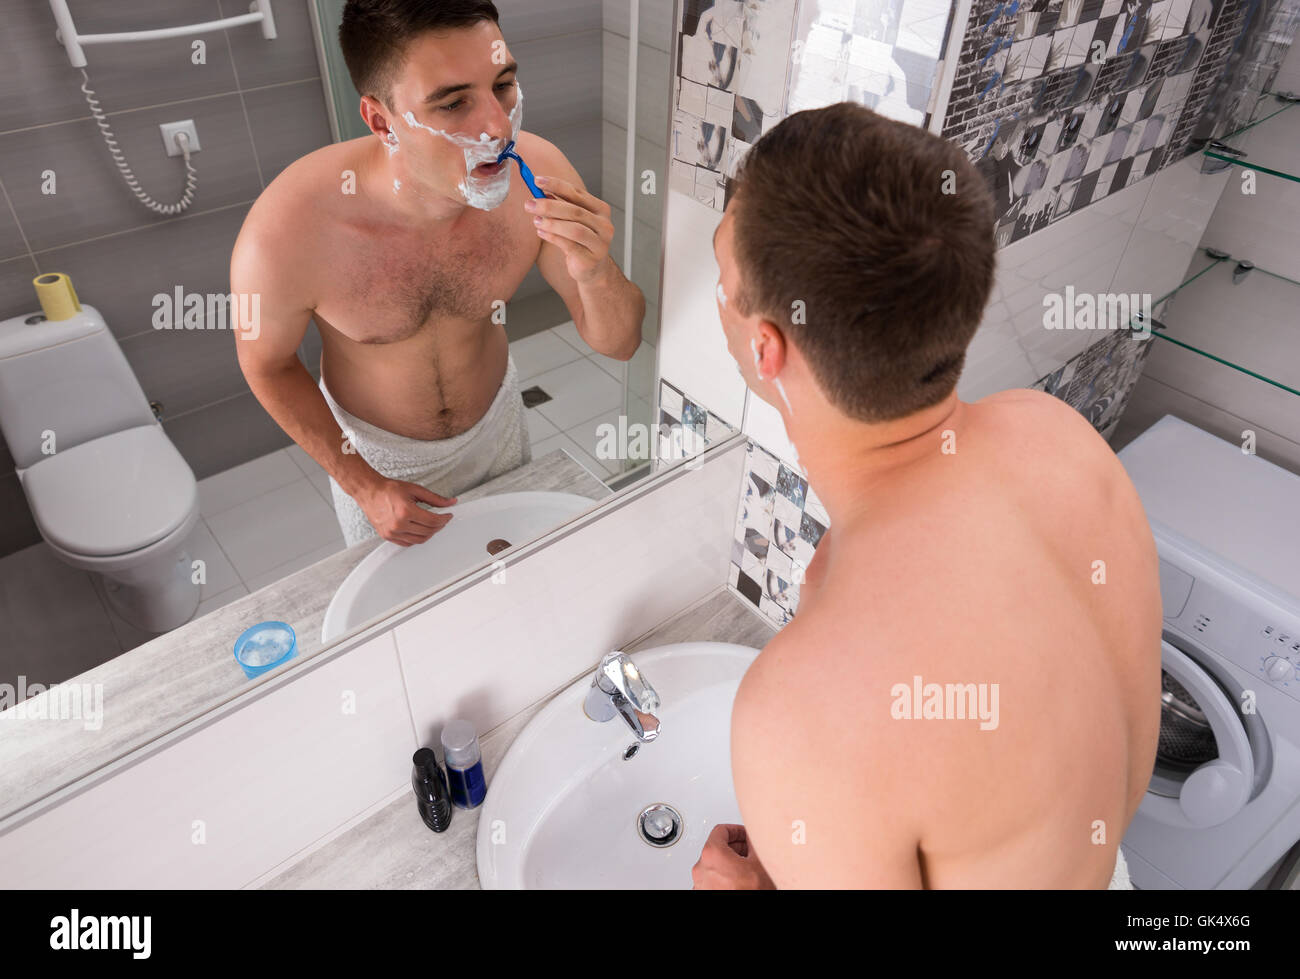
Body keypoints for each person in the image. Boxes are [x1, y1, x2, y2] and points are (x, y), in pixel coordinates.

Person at [692, 102, 1162, 888]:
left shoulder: (805, 713)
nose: (717, 297)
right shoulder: (1060, 440)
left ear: (767, 347)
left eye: (722, 281)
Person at [231, 0, 643, 548]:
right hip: (378, 461)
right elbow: (266, 364)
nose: (498, 127)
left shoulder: (538, 179)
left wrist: (596, 271)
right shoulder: (288, 230)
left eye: (504, 85)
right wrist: (365, 486)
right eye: (453, 104)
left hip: (499, 429)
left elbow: (620, 344)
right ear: (382, 121)